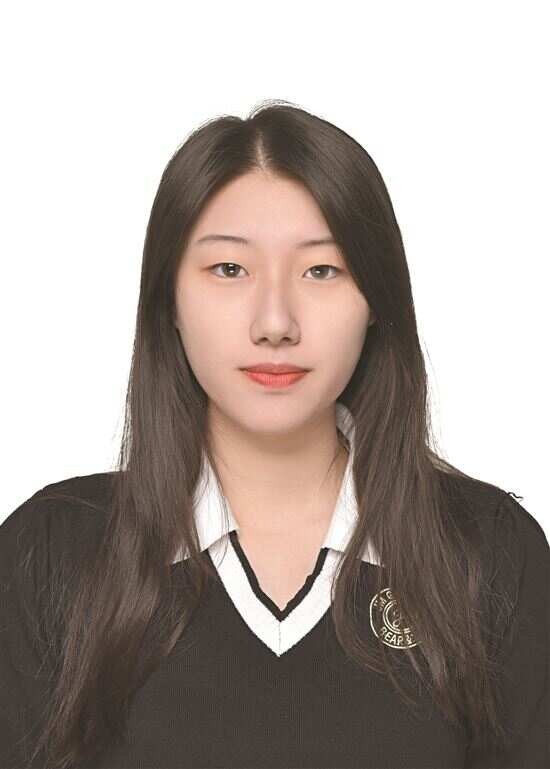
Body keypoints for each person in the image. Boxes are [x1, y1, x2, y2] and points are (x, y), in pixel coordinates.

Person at [1, 99, 548, 769]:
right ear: (168, 299)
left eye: (322, 270)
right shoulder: (50, 552)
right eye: (229, 269)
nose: (275, 322)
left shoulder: (490, 553)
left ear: (376, 301)